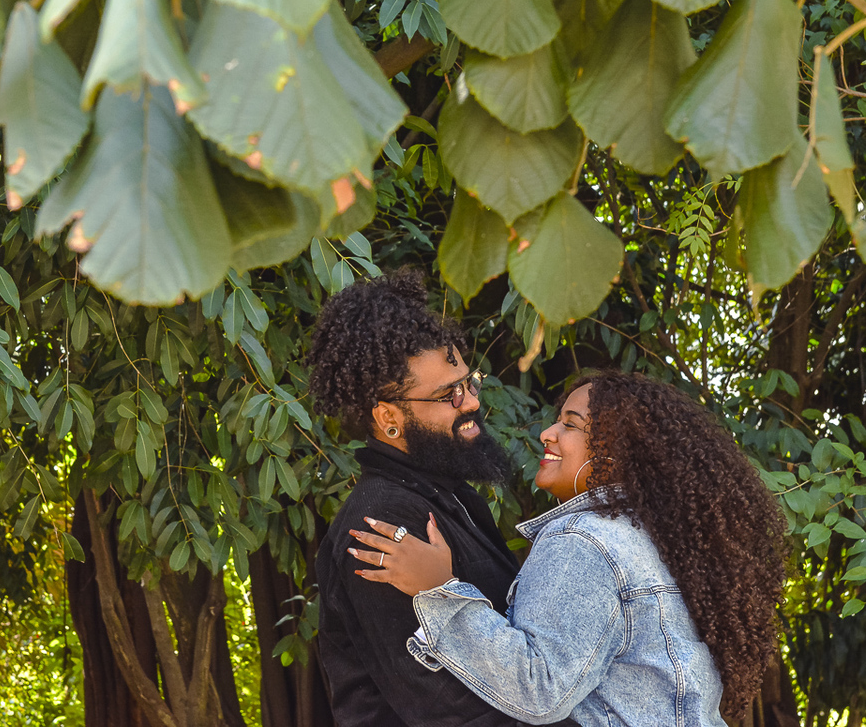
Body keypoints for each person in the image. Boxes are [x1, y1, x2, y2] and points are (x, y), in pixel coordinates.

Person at [349, 371, 788, 727]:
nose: (547, 433)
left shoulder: (583, 541)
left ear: (615, 455)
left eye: (570, 425)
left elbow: (541, 692)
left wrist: (440, 590)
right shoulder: (649, 538)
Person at [309, 269, 578, 727]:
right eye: (448, 395)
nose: (471, 401)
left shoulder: (450, 495)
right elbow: (447, 709)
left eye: (468, 382)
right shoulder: (382, 522)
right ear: (388, 417)